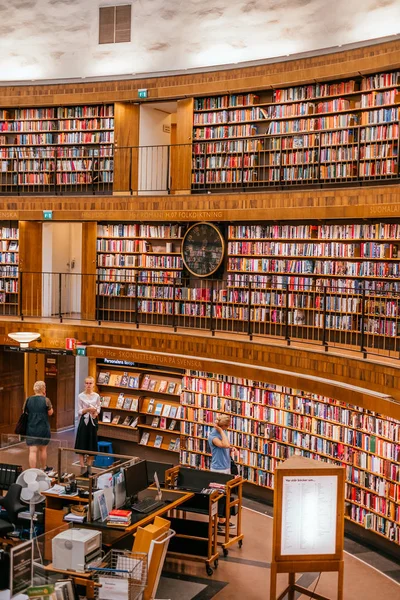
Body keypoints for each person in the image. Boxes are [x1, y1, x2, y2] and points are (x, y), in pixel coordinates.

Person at [208, 414, 235, 529]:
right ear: (222, 426)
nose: (228, 428)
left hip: (226, 466)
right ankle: (214, 522)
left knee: (225, 495)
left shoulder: (221, 433)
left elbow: (227, 446)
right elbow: (225, 444)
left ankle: (223, 520)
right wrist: (221, 431)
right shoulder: (213, 436)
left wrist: (231, 448)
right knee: (217, 496)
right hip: (218, 469)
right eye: (227, 426)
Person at [74, 376, 101, 477]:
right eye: (87, 383)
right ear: (84, 384)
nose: (88, 385)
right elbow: (79, 411)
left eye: (90, 383)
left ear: (93, 384)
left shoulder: (96, 396)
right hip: (84, 422)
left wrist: (95, 412)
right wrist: (87, 410)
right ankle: (82, 466)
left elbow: (98, 408)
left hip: (92, 421)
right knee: (82, 443)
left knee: (91, 443)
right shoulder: (80, 396)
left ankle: (89, 465)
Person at [25, 380, 53, 470]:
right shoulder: (46, 400)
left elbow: (24, 412)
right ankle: (43, 468)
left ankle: (32, 470)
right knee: (43, 449)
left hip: (31, 427)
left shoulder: (28, 399)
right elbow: (50, 413)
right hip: (43, 427)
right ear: (43, 389)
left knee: (32, 451)